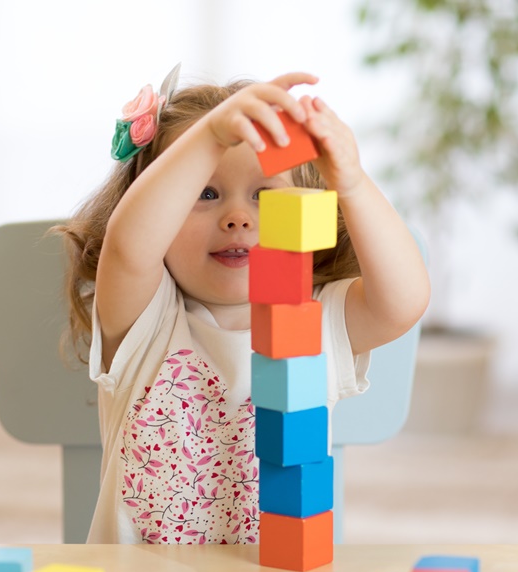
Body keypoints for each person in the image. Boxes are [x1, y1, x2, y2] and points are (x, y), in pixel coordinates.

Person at [57, 71, 429, 544]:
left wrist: (351, 183)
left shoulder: (316, 320)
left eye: (264, 194)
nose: (238, 217)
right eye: (205, 193)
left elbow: (404, 301)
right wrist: (210, 135)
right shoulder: (144, 320)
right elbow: (130, 247)